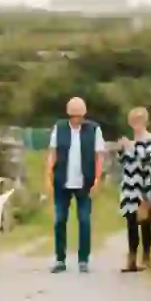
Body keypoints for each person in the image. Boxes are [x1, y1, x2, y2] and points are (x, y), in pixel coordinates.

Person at [44, 97, 106, 274]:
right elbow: (53, 153)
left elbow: (99, 156)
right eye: (73, 116)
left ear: (84, 115)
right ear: (68, 115)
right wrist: (48, 176)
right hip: (62, 181)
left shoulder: (94, 130)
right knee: (59, 220)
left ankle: (83, 259)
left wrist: (97, 179)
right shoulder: (60, 128)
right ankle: (60, 259)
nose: (77, 120)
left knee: (84, 220)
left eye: (80, 116)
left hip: (84, 182)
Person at [116, 107, 151, 272]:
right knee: (131, 222)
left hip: (147, 186)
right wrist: (122, 150)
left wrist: (132, 148)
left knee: (145, 222)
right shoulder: (131, 140)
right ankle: (131, 258)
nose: (136, 125)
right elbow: (125, 162)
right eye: (133, 122)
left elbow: (150, 159)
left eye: (139, 122)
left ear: (145, 122)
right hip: (130, 187)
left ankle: (146, 255)